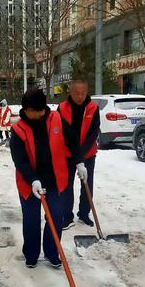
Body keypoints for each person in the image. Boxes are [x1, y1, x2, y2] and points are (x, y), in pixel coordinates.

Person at [10, 89, 87, 269]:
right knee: (31, 220)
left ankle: (52, 253)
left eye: (41, 110)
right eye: (33, 111)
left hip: (54, 181)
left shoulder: (56, 119)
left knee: (56, 217)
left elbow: (73, 141)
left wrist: (79, 162)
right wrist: (33, 180)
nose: (38, 114)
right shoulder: (18, 129)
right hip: (29, 183)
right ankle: (31, 254)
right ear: (25, 110)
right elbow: (19, 160)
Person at [58, 79, 100, 230]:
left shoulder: (93, 108)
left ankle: (84, 214)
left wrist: (80, 156)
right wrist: (75, 155)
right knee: (66, 185)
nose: (80, 96)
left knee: (87, 184)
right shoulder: (62, 108)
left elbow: (93, 133)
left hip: (87, 153)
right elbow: (61, 131)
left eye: (83, 93)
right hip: (67, 153)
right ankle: (67, 216)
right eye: (77, 93)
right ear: (70, 92)